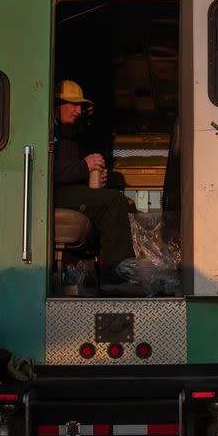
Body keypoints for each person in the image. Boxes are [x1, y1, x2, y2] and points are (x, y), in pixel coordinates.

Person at [53, 79, 135, 287]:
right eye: (72, 104)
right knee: (113, 201)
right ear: (56, 106)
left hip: (68, 191)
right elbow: (49, 170)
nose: (78, 110)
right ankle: (116, 277)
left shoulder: (71, 137)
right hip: (52, 193)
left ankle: (100, 273)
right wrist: (84, 166)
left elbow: (78, 171)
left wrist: (94, 176)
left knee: (121, 202)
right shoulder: (49, 135)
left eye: (80, 105)